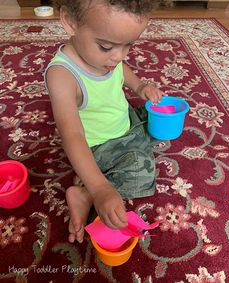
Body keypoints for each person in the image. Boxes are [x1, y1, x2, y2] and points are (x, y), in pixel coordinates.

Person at [45, 0, 166, 244]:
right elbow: (73, 136)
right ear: (70, 21)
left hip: (123, 120)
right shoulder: (62, 75)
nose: (119, 56)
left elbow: (122, 69)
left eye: (128, 45)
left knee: (157, 121)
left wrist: (139, 86)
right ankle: (85, 194)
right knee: (140, 171)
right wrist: (100, 189)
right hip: (100, 143)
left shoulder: (112, 55)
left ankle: (92, 186)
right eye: (106, 46)